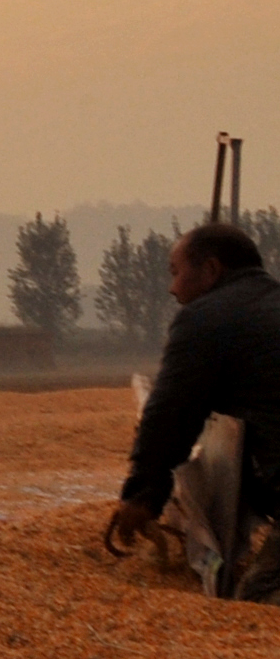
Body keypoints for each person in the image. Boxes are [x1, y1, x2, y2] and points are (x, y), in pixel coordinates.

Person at [104, 221, 280, 597]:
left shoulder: (205, 319)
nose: (172, 288)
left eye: (176, 272)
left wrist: (143, 494)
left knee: (258, 601)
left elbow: (172, 412)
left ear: (212, 270)